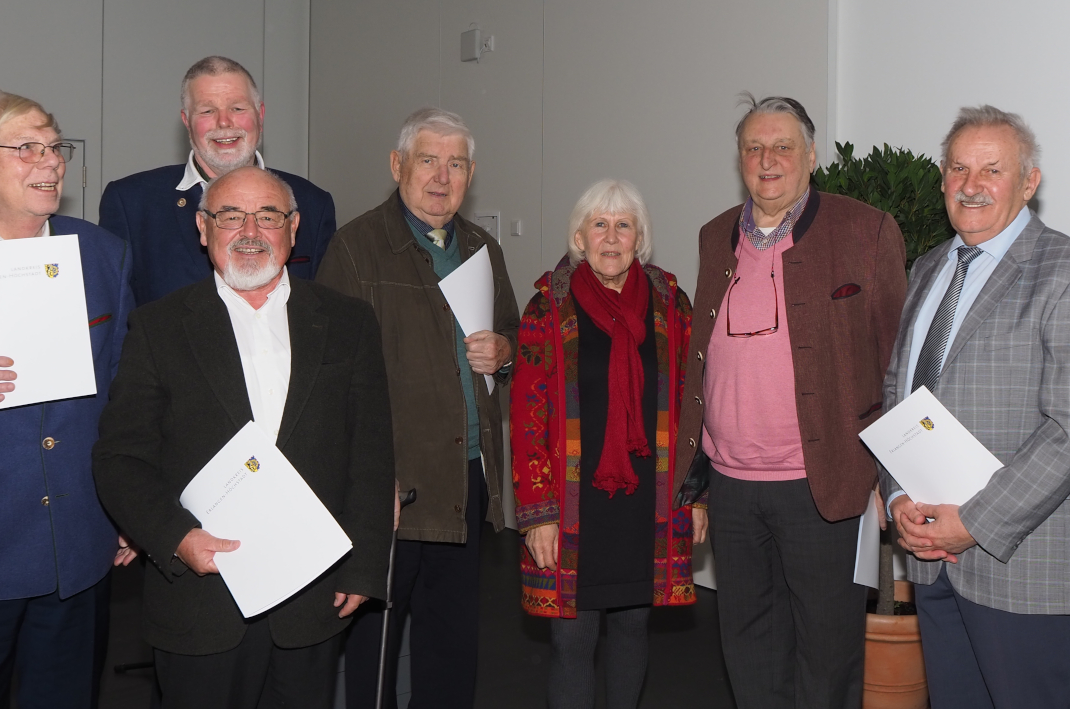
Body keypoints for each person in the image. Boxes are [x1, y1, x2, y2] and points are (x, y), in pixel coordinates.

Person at [92, 166, 393, 709]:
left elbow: (370, 454)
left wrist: (365, 565)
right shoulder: (159, 328)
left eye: (268, 216)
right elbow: (120, 458)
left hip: (313, 595)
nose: (250, 231)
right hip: (200, 599)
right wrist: (178, 538)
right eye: (231, 216)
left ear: (294, 228)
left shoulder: (349, 322)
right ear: (203, 229)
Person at [881, 105, 1070, 709]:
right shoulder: (928, 267)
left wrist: (974, 523)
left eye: (992, 169)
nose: (971, 184)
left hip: (1019, 558)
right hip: (929, 552)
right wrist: (897, 496)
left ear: (1029, 182)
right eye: (959, 168)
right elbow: (898, 394)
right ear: (942, 180)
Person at [672, 94, 906, 709]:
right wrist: (694, 484)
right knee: (748, 644)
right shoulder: (712, 237)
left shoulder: (866, 230)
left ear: (811, 155)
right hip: (732, 487)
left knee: (827, 653)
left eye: (782, 147)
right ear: (739, 159)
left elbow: (895, 361)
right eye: (754, 148)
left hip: (823, 483)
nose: (767, 160)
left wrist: (889, 477)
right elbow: (700, 359)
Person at [317, 107, 519, 709]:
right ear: (397, 164)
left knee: (451, 644)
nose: (441, 175)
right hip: (393, 489)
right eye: (427, 159)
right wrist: (364, 479)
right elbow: (329, 379)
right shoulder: (355, 249)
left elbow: (511, 329)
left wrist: (505, 349)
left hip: (465, 480)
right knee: (375, 647)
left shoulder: (483, 248)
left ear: (471, 172)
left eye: (455, 163)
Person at [0, 88, 135, 709]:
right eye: (27, 148)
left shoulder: (102, 254)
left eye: (56, 147)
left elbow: (123, 394)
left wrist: (124, 508)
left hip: (78, 545)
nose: (51, 162)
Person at [511, 179, 701, 708]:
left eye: (624, 225)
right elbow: (527, 414)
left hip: (648, 502)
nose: (611, 237)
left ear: (640, 238)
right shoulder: (547, 304)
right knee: (572, 639)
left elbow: (692, 400)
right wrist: (538, 513)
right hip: (573, 505)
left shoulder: (670, 303)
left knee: (633, 629)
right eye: (600, 224)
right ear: (579, 236)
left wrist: (696, 494)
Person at [100, 55, 336, 306]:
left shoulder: (312, 204)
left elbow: (323, 309)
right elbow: (114, 314)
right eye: (207, 110)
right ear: (187, 122)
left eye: (237, 108)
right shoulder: (131, 203)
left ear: (260, 115)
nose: (224, 122)